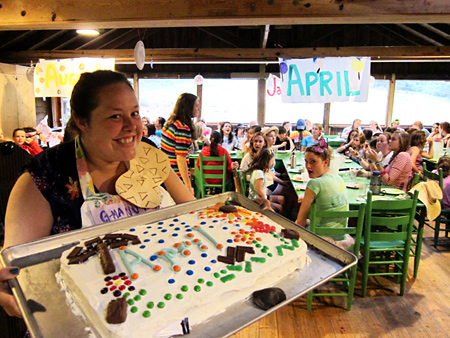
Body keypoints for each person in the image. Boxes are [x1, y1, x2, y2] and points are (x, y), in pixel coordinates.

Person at [1, 70, 196, 317]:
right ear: (82, 121)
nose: (132, 127)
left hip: (162, 302)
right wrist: (10, 287)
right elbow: (18, 265)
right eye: (115, 116)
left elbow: (193, 215)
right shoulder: (45, 176)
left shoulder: (148, 155)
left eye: (134, 113)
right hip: (82, 314)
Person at [295, 139, 351, 248]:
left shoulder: (314, 184)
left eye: (313, 162)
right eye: (306, 161)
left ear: (325, 162)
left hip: (321, 240)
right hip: (341, 237)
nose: (308, 166)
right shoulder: (338, 178)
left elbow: (300, 221)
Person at [161, 93, 200, 194]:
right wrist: (188, 186)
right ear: (188, 107)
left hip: (166, 173)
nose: (198, 108)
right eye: (196, 105)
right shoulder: (182, 127)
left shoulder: (171, 122)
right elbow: (181, 158)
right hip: (176, 177)